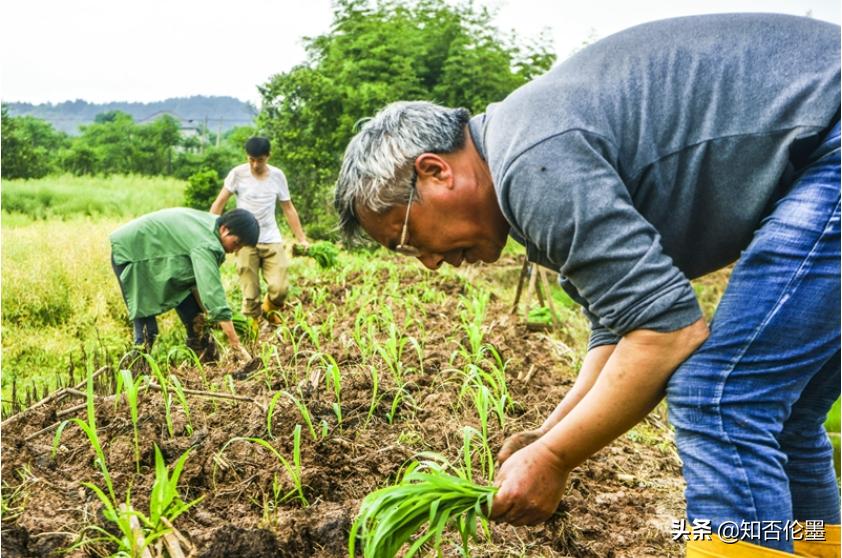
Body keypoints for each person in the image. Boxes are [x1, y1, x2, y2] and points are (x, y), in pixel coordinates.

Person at [334, 14, 840, 557]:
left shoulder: (530, 164)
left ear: (436, 172)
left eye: (408, 239)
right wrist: (549, 434)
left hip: (831, 141)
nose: (429, 263)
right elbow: (619, 326)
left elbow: (666, 332)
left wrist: (555, 459)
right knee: (784, 418)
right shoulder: (526, 161)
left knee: (717, 396)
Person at [110, 207, 257, 364]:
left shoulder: (212, 226)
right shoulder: (207, 243)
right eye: (236, 243)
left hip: (157, 256)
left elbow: (198, 283)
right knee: (148, 332)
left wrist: (208, 313)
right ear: (225, 230)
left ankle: (207, 370)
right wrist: (236, 345)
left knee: (197, 320)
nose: (236, 250)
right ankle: (131, 379)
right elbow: (212, 292)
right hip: (133, 256)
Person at [211, 136, 308, 325]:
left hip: (271, 239)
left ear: (268, 157)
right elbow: (219, 202)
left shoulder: (278, 176)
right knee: (250, 294)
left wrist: (302, 238)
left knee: (280, 289)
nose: (255, 165)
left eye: (260, 160)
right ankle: (252, 335)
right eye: (251, 160)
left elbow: (288, 208)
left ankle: (269, 310)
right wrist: (210, 231)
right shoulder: (237, 174)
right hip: (245, 241)